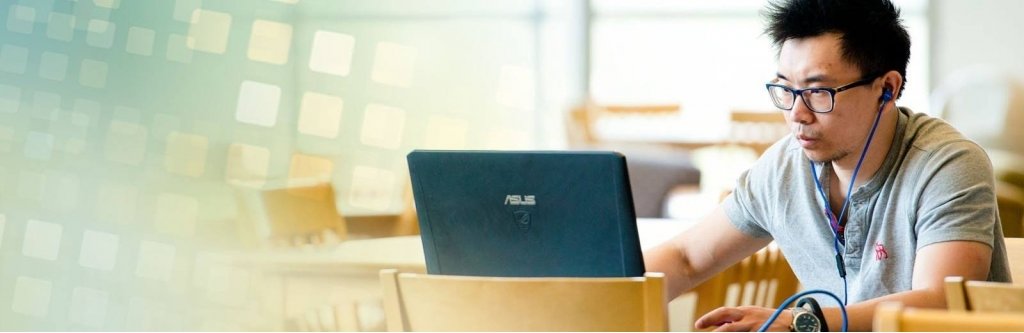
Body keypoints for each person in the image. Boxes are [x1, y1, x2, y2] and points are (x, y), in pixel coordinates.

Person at [643, 0, 1012, 331]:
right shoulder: (785, 167)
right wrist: (598, 285)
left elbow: (941, 304)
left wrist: (799, 321)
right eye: (786, 89)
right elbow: (686, 258)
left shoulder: (947, 165)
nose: (796, 114)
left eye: (819, 92)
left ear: (887, 88)